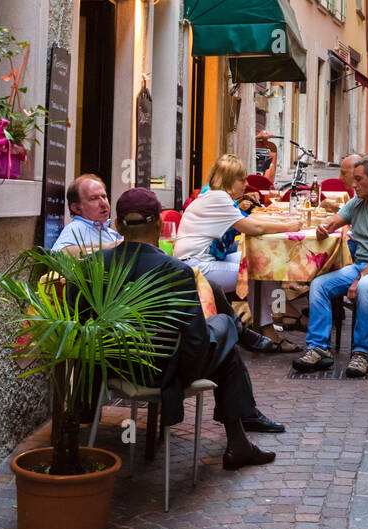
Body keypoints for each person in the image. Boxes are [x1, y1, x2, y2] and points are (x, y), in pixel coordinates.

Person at [102, 188, 285, 470]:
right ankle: (239, 439)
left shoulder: (94, 266)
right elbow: (197, 341)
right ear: (160, 224)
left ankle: (240, 441)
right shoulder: (174, 271)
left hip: (113, 366)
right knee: (224, 334)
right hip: (162, 372)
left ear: (117, 225)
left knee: (224, 337)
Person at [293, 157, 368, 379]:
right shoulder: (357, 203)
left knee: (366, 286)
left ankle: (362, 352)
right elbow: (335, 220)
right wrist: (323, 228)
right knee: (319, 284)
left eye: (359, 179)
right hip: (361, 267)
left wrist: (360, 278)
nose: (353, 185)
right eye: (353, 179)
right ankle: (318, 348)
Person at [174, 154, 279, 295]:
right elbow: (255, 227)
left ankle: (268, 314)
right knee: (261, 268)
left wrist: (282, 222)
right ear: (229, 180)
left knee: (262, 258)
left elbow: (252, 221)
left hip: (194, 261)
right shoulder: (218, 197)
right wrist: (290, 226)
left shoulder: (215, 194)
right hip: (195, 266)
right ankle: (269, 315)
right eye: (242, 180)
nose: (246, 184)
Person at [52, 175, 123, 254]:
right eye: (93, 198)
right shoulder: (76, 228)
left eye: (104, 196)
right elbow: (58, 255)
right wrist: (110, 246)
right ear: (76, 208)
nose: (103, 203)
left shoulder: (111, 233)